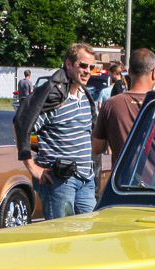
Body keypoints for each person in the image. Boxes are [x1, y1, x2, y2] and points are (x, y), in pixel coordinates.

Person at [13, 42, 99, 220]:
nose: (87, 71)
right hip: (60, 182)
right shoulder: (54, 98)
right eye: (82, 65)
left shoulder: (85, 96)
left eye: (92, 67)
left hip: (86, 179)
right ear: (68, 64)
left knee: (89, 234)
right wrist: (32, 166)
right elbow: (21, 125)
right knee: (61, 239)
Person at [92, 46, 155, 190]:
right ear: (154, 73)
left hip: (121, 189)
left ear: (129, 72)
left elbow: (97, 148)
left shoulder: (111, 105)